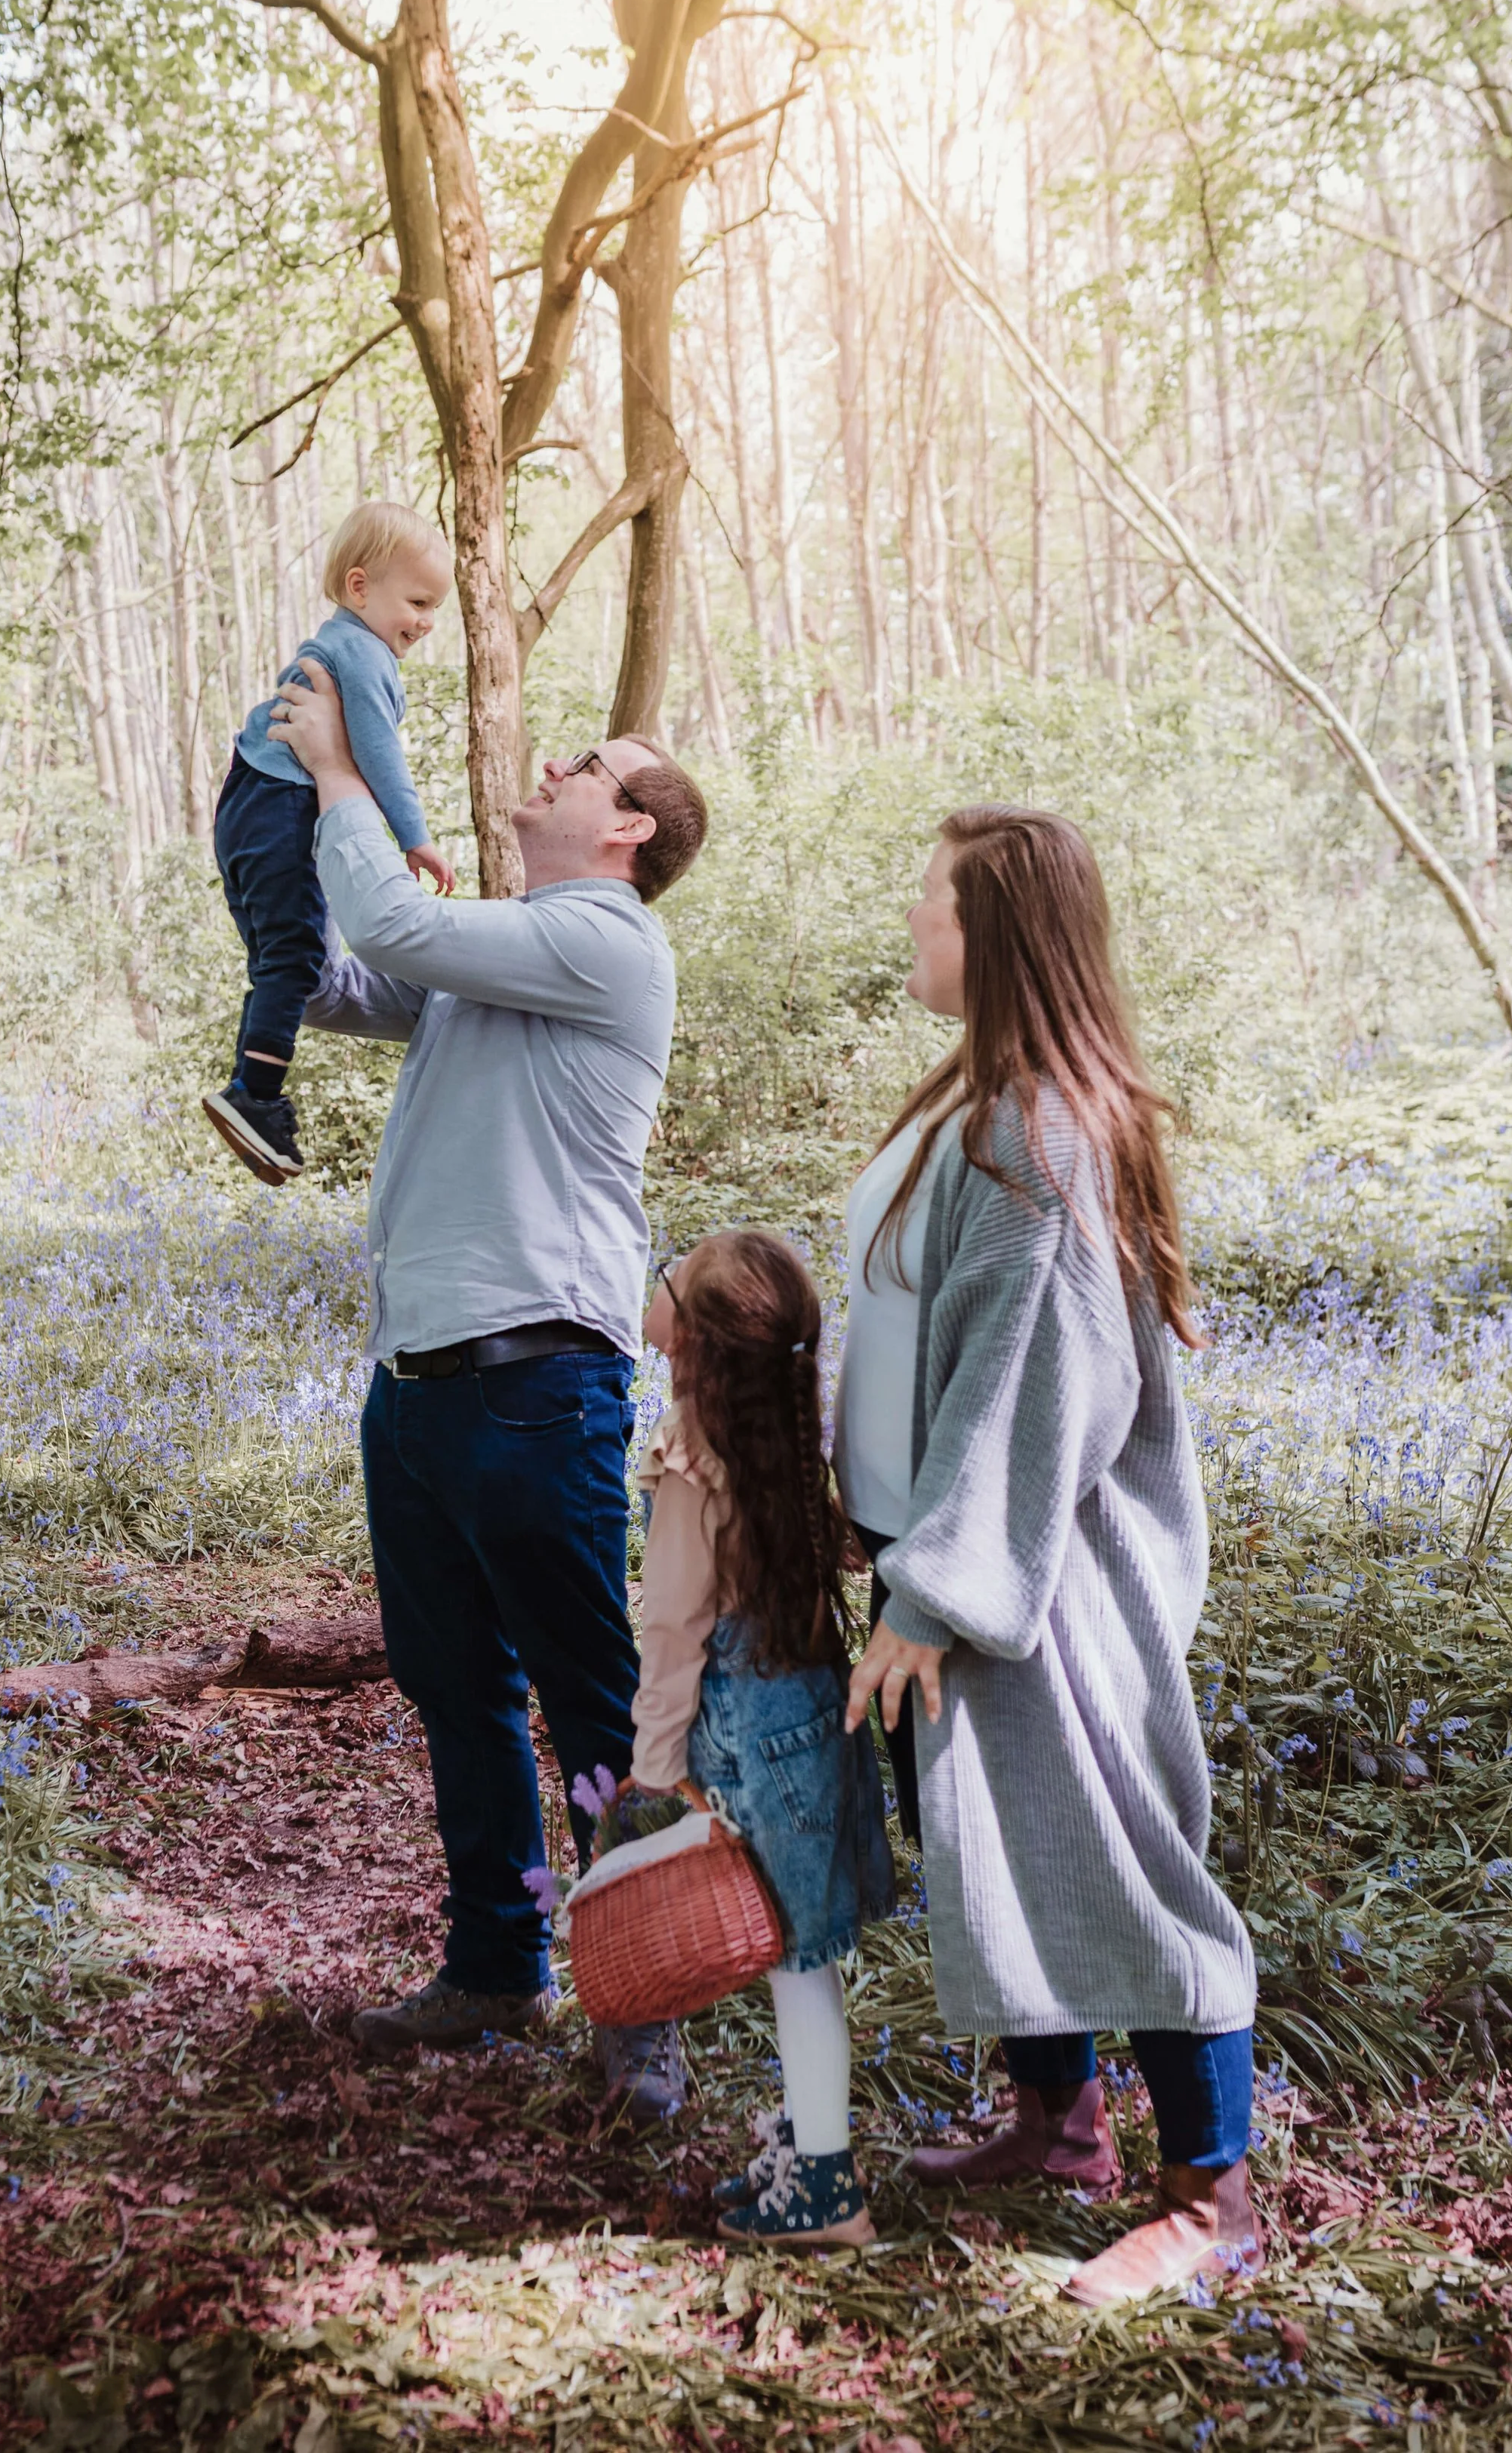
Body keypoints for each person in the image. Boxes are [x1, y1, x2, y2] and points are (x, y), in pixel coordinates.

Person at [269, 662, 710, 2121]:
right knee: (455, 1689)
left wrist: (343, 771)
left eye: (590, 762)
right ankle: (495, 1969)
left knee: (591, 1702)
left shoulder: (605, 942)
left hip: (538, 1383)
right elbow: (346, 976)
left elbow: (393, 922)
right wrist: (267, 859)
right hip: (417, 1380)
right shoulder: (512, 942)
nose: (559, 765)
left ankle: (638, 2007)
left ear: (629, 830)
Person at [839, 804, 1262, 2308]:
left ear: (998, 934)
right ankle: (1056, 2123)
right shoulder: (988, 1100)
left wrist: (936, 1589)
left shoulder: (1041, 1127)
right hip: (955, 1555)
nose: (912, 926)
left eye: (933, 906)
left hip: (1043, 1580)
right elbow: (917, 1324)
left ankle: (1208, 2196)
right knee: (1002, 1844)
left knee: (1123, 1865)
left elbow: (1037, 1375)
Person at [626, 1229, 896, 2247]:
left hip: (747, 1734)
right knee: (803, 1960)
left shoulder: (697, 1450)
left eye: (674, 1276)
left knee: (798, 1969)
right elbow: (847, 1543)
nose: (657, 1280)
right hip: (811, 1714)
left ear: (692, 1340)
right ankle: (806, 2146)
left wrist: (658, 1769)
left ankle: (829, 2186)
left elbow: (672, 1623)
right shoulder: (778, 1428)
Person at [203, 501, 457, 1186]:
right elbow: (378, 753)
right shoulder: (365, 656)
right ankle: (254, 1095)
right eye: (418, 600)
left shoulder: (332, 642)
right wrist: (416, 838)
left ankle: (252, 1086)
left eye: (436, 607)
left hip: (244, 803)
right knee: (296, 956)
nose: (427, 621)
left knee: (280, 960)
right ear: (359, 587)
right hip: (283, 805)